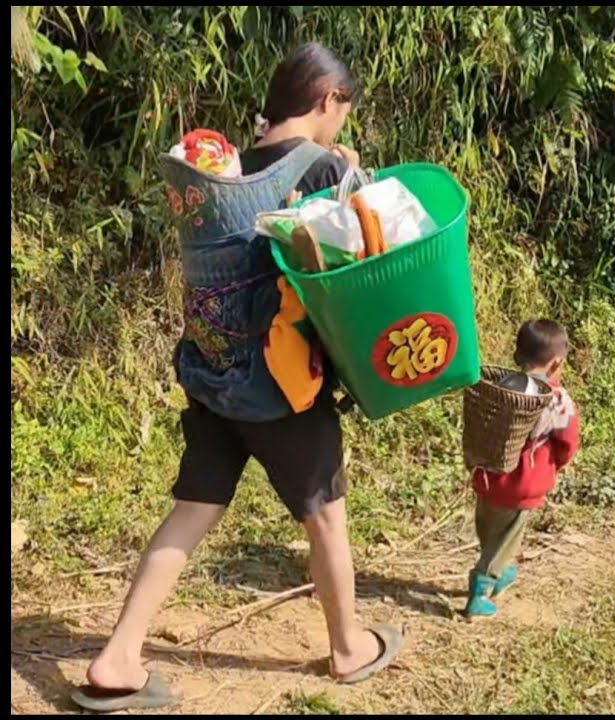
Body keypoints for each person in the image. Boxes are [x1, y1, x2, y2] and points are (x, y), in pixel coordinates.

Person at [72, 43, 403, 713]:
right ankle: (348, 648)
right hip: (282, 386)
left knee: (193, 508)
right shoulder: (324, 169)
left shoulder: (227, 169)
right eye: (344, 109)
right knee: (325, 518)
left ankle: (118, 657)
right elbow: (368, 268)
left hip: (211, 373)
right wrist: (353, 178)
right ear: (328, 100)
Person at [466, 319, 581, 618]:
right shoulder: (556, 399)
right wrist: (557, 464)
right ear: (556, 363)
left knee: (492, 529)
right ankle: (480, 590)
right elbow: (568, 441)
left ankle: (499, 569)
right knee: (508, 535)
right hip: (522, 483)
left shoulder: (502, 386)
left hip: (488, 475)